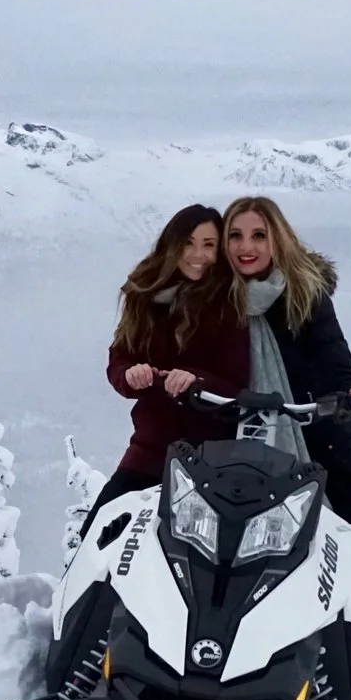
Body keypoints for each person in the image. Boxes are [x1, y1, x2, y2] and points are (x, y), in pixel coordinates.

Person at [220, 194, 351, 586]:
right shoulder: (214, 305)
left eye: (259, 235)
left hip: (326, 439)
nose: (246, 246)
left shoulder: (305, 294)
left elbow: (336, 361)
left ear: (278, 240)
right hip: (244, 444)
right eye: (235, 236)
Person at [88, 204, 248, 525]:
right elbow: (120, 359)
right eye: (189, 243)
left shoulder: (229, 304)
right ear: (172, 244)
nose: (198, 254)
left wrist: (196, 381)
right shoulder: (146, 296)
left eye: (208, 245)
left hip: (209, 455)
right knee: (99, 530)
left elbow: (241, 383)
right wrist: (130, 375)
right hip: (151, 446)